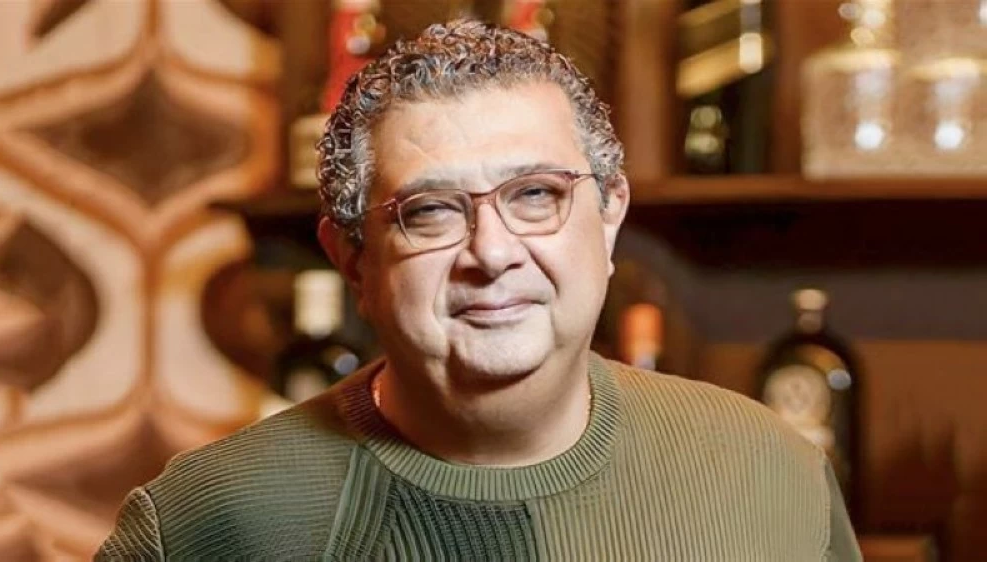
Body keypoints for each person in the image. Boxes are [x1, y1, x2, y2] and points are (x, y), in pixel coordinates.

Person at [97, 20, 862, 561]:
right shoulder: (207, 523)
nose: (492, 253)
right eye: (430, 211)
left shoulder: (771, 471)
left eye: (536, 195)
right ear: (354, 261)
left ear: (609, 216)